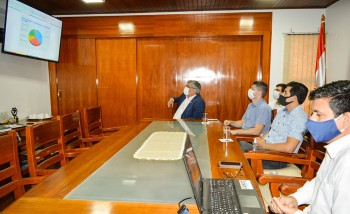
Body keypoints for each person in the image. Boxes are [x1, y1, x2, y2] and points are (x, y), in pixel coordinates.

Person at [269, 80, 350, 214]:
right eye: (312, 113)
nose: (310, 120)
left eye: (318, 115)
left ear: (346, 119)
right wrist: (295, 199)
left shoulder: (347, 164)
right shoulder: (335, 147)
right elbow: (320, 183)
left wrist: (294, 213)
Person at [241, 81, 309, 169]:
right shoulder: (283, 111)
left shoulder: (299, 117)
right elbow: (272, 131)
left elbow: (289, 148)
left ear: (294, 98)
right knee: (239, 145)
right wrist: (262, 138)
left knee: (240, 156)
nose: (281, 94)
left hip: (277, 158)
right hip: (267, 150)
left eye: (285, 92)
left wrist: (264, 145)